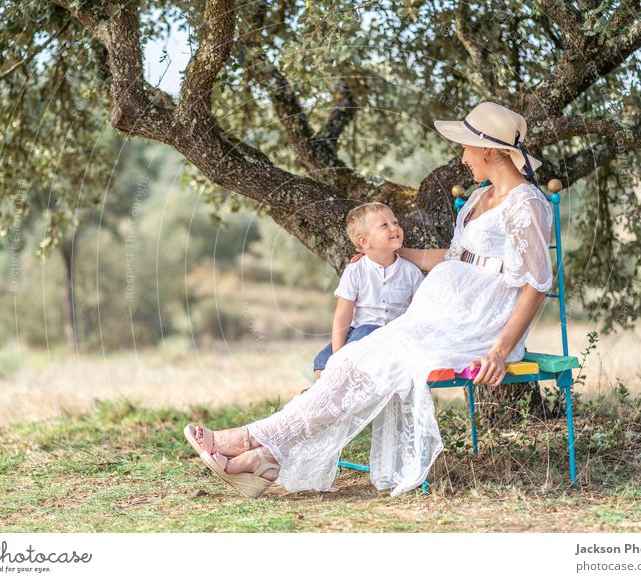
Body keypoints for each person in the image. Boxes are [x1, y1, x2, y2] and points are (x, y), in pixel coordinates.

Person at [184, 101, 554, 499]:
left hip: (479, 324)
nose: (462, 157)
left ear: (488, 150)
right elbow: (452, 258)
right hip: (437, 315)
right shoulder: (482, 198)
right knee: (350, 359)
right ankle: (264, 456)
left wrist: (499, 350)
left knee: (367, 360)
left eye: (466, 147)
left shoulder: (526, 203)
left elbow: (536, 282)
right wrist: (387, 256)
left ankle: (249, 441)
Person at [311, 202, 424, 380]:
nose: (395, 227)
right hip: (358, 333)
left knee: (367, 332)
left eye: (395, 222)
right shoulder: (355, 271)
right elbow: (343, 315)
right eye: (385, 225)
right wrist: (338, 355)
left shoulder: (411, 272)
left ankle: (340, 377)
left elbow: (419, 312)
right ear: (364, 241)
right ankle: (323, 388)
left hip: (393, 335)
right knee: (324, 358)